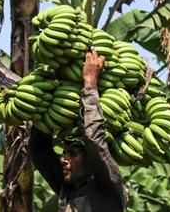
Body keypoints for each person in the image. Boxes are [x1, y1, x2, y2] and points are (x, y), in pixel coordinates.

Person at [30, 50, 127, 212]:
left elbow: (94, 141)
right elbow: (39, 151)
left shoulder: (108, 186)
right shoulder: (68, 189)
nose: (63, 159)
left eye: (73, 154)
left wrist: (90, 84)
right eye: (65, 152)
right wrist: (48, 105)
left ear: (91, 159)